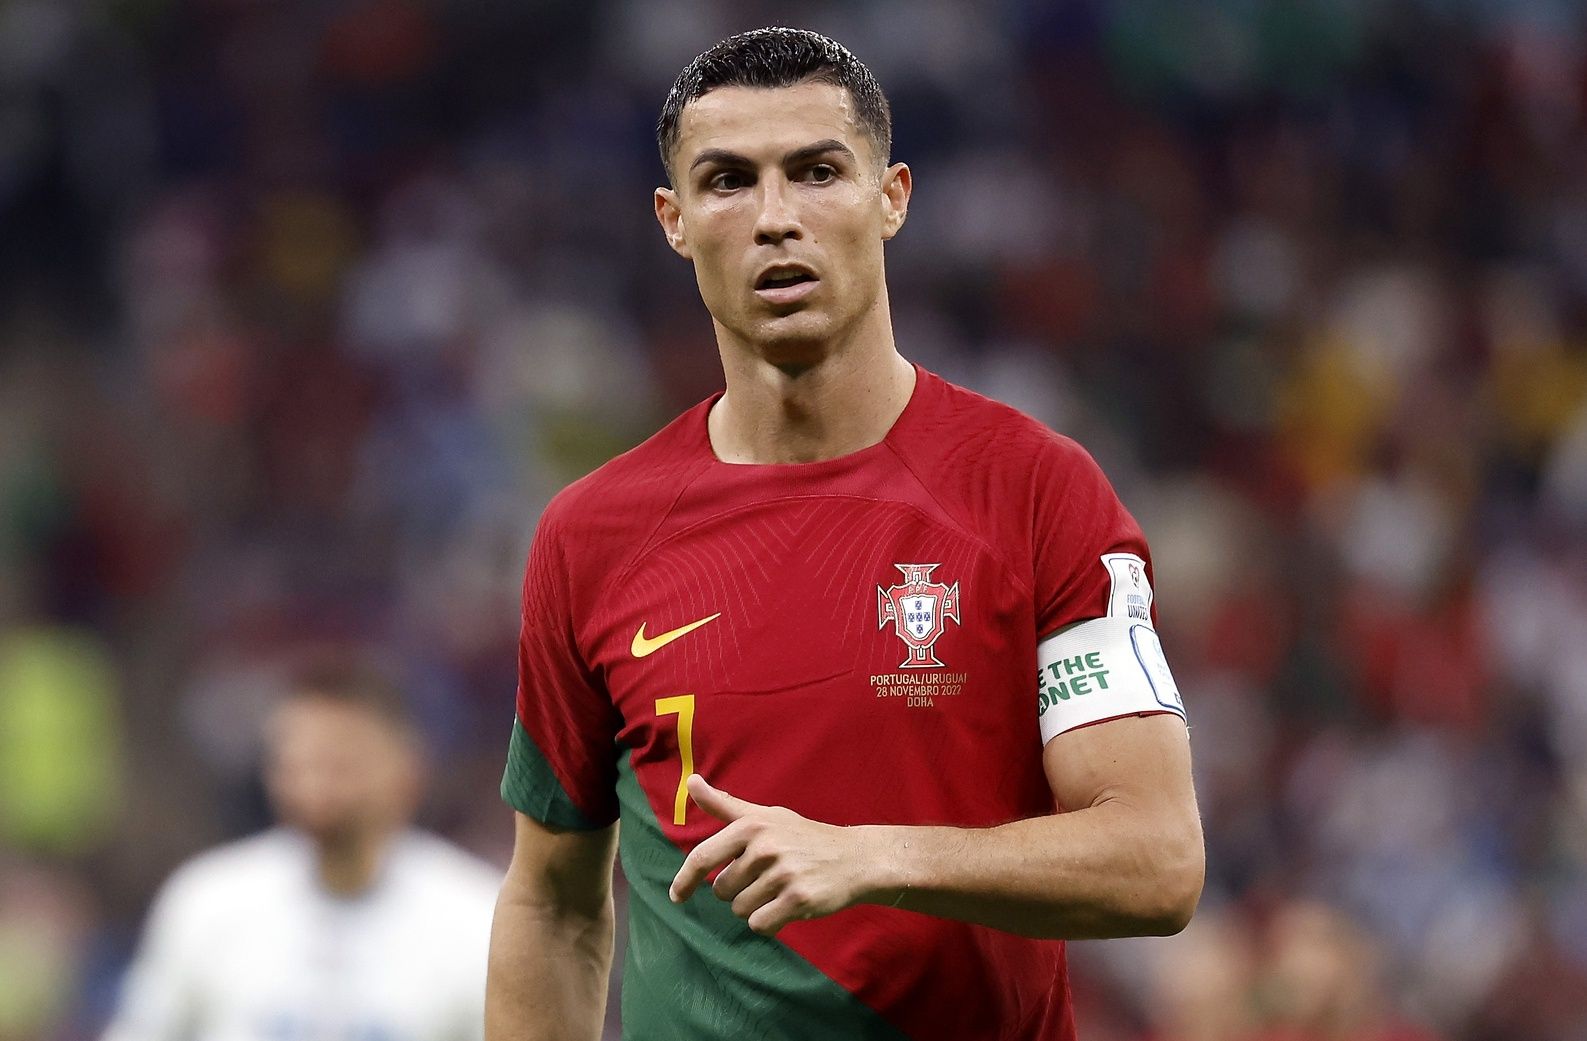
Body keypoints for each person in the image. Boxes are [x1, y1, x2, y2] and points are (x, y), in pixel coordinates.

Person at [487, 26, 1204, 1041]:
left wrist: (876, 856)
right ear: (674, 221)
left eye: (817, 172)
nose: (776, 218)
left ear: (893, 197)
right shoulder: (591, 535)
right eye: (728, 181)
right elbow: (551, 904)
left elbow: (1158, 861)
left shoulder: (1038, 493)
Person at [104, 662, 502, 1041]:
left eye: (338, 762)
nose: (314, 785)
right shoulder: (209, 899)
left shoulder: (475, 916)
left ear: (407, 770)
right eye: (296, 762)